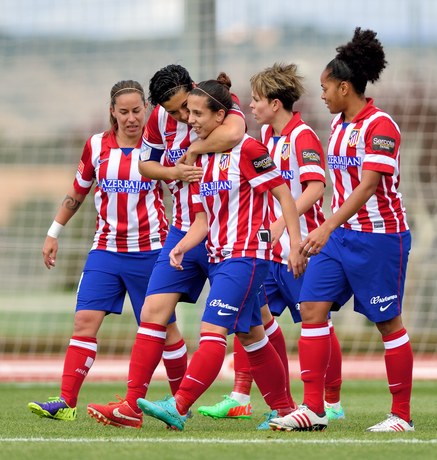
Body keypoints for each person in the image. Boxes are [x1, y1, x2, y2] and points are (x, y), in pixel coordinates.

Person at [135, 73, 306, 431]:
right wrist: (181, 247)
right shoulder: (201, 162)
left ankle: (179, 406)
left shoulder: (248, 149)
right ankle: (286, 408)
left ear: (220, 116)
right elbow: (202, 220)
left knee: (211, 330)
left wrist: (294, 245)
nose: (190, 121)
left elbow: (284, 195)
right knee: (252, 336)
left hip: (246, 257)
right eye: (188, 114)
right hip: (218, 255)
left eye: (197, 114)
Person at [269, 28, 414, 433]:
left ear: (344, 86)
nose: (323, 95)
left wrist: (325, 227)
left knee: (389, 324)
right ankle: (313, 408)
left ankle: (401, 416)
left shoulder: (381, 125)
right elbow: (341, 188)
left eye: (325, 87)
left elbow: (368, 185)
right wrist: (323, 232)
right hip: (341, 237)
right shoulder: (338, 126)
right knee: (312, 309)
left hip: (381, 239)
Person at [86, 65, 246, 428]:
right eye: (173, 112)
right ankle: (131, 407)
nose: (181, 117)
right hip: (183, 230)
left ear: (192, 90)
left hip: (226, 232)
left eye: (183, 109)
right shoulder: (158, 118)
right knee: (153, 312)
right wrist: (174, 171)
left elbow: (235, 134)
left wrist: (191, 152)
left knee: (256, 327)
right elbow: (146, 166)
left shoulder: (217, 103)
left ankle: (290, 406)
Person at [28, 80, 186, 422]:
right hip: (106, 251)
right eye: (124, 111)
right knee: (84, 321)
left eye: (137, 111)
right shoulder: (97, 146)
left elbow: (183, 191)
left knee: (167, 330)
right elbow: (78, 192)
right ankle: (66, 403)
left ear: (147, 109)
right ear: (112, 112)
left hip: (151, 252)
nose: (131, 118)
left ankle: (178, 405)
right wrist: (53, 232)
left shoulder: (157, 147)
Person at [197, 63, 345, 428]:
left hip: (302, 248)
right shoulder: (265, 135)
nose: (251, 105)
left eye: (257, 99)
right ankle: (250, 398)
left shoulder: (302, 137)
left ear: (276, 104)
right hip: (267, 253)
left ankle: (332, 400)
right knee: (254, 323)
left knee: (316, 322)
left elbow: (314, 187)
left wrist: (281, 224)